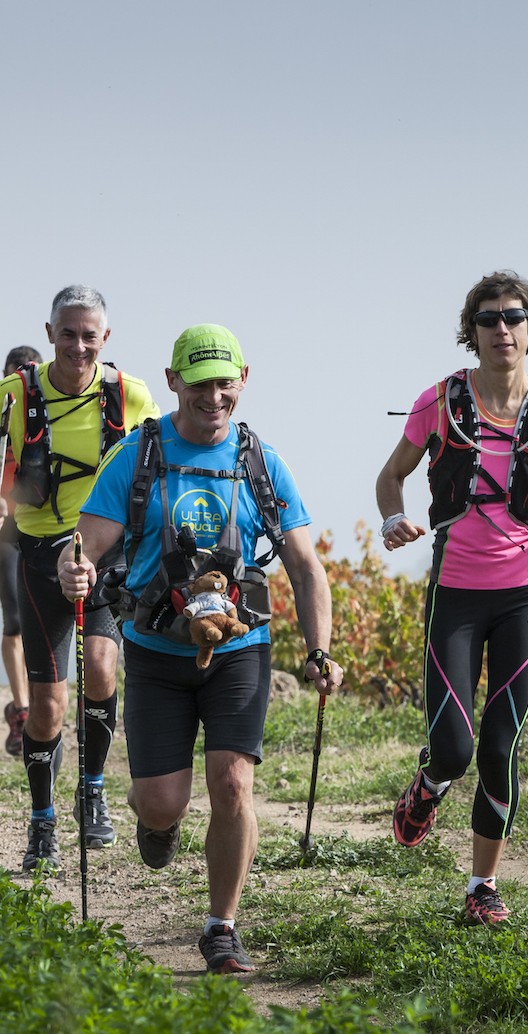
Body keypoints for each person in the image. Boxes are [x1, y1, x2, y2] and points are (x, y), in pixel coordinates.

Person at [59, 323, 342, 975]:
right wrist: (73, 570)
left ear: (243, 380)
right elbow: (85, 545)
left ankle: (222, 927)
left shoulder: (261, 463)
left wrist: (319, 650)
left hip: (241, 648)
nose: (213, 397)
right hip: (155, 649)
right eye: (199, 384)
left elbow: (305, 567)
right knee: (163, 803)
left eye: (224, 383)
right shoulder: (137, 455)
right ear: (172, 381)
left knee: (233, 783)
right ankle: (156, 823)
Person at [375, 270, 528, 925]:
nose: (503, 328)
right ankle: (431, 781)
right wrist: (393, 518)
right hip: (455, 596)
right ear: (471, 331)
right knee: (454, 747)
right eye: (489, 318)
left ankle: (482, 887)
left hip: (522, 597)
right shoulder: (439, 402)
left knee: (500, 746)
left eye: (514, 317)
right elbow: (391, 477)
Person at [0, 286, 160, 873]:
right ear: (49, 334)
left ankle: (91, 791)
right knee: (46, 707)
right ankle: (42, 819)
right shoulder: (14, 394)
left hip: (107, 557)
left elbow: (162, 464)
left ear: (105, 338)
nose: (78, 346)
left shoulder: (131, 395)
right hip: (41, 554)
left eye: (88, 335)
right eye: (67, 334)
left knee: (101, 667)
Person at [0, 345, 42, 756]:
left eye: (27, 374)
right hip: (5, 527)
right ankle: (22, 710)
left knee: (42, 620)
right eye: (12, 375)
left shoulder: (53, 412)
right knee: (14, 619)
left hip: (44, 526)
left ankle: (40, 704)